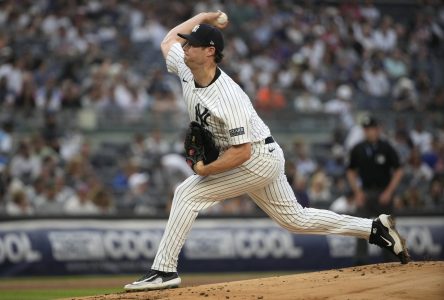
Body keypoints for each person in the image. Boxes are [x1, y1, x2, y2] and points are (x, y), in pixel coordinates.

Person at [124, 11, 409, 292]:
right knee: (295, 220)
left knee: (187, 193)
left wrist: (204, 170)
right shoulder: (187, 69)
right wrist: (204, 16)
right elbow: (167, 41)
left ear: (209, 51)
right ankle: (374, 228)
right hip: (261, 154)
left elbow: (242, 153)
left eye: (191, 45)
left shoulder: (228, 97)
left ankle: (164, 270)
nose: (184, 48)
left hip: (256, 158)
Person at [346, 115, 404, 265]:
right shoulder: (358, 149)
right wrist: (357, 192)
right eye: (366, 129)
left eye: (371, 129)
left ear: (378, 129)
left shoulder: (386, 147)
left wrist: (389, 192)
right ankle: (360, 262)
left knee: (387, 228)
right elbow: (350, 171)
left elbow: (399, 170)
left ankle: (392, 260)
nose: (369, 132)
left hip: (384, 192)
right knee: (360, 226)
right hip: (365, 193)